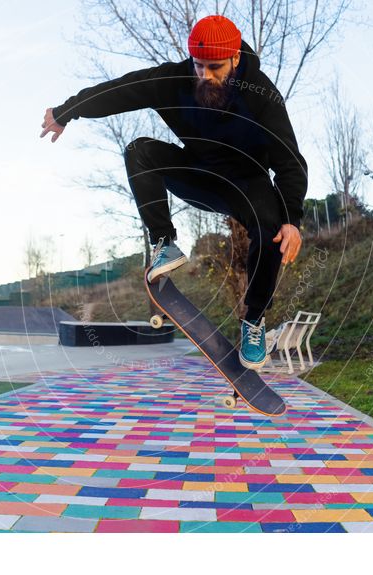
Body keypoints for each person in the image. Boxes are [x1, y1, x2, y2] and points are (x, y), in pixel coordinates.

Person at [40, 14, 307, 370]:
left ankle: (253, 321)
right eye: (199, 67)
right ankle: (165, 243)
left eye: (215, 68)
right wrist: (66, 112)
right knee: (140, 150)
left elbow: (290, 160)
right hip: (198, 175)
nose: (206, 76)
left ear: (235, 59)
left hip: (248, 186)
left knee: (272, 228)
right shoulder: (173, 80)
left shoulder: (261, 94)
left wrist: (292, 219)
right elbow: (120, 91)